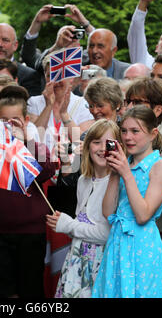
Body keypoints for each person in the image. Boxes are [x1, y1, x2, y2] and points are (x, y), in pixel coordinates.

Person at [0, 85, 57, 298]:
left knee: (30, 287)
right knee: (2, 289)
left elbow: (49, 169)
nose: (9, 125)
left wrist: (25, 139)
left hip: (31, 231)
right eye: (5, 120)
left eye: (15, 120)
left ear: (26, 121)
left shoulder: (31, 145)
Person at [92, 105, 162, 298]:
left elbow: (143, 215)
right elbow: (108, 211)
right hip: (117, 242)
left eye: (136, 131)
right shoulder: (124, 164)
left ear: (153, 134)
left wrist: (126, 174)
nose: (128, 137)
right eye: (124, 131)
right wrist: (114, 173)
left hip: (143, 245)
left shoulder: (160, 166)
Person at [46, 119, 120, 298]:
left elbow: (107, 234)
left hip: (101, 263)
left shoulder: (117, 183)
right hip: (76, 260)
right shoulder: (83, 181)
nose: (103, 148)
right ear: (87, 147)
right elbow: (82, 224)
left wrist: (68, 225)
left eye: (109, 143)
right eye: (96, 142)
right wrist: (63, 223)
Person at [28, 50, 94, 152]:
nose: (56, 81)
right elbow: (32, 140)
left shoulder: (82, 103)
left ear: (70, 78)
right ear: (45, 77)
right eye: (50, 75)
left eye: (60, 75)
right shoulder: (34, 102)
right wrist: (48, 106)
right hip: (41, 163)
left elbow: (84, 142)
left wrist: (64, 114)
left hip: (73, 165)